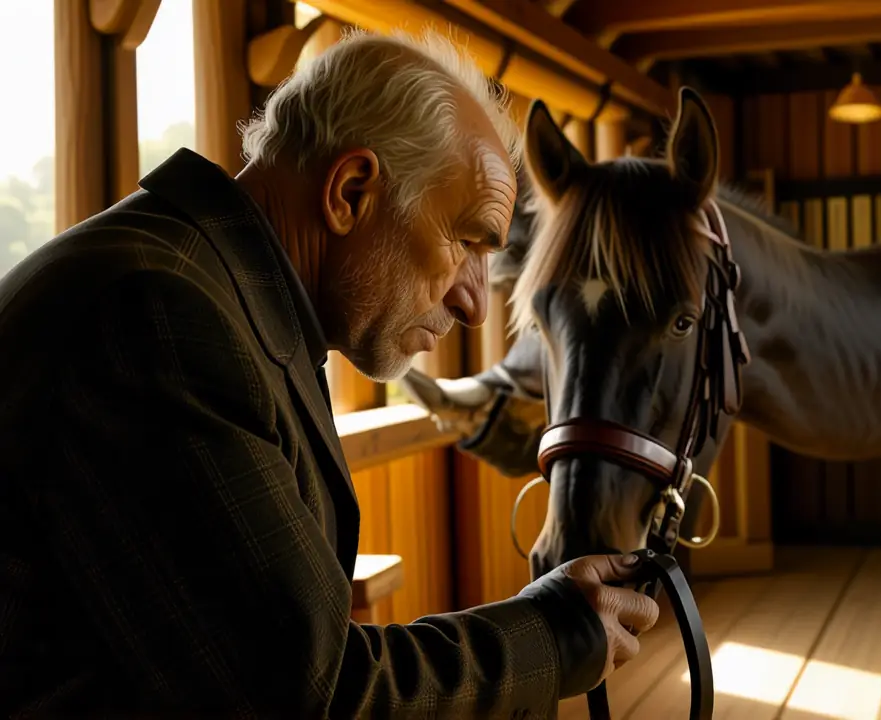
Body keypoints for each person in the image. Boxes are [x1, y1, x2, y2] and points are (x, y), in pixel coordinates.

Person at [0, 30, 659, 717]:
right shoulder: (157, 316)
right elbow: (304, 698)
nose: (473, 304)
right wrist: (555, 636)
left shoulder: (205, 291)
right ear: (350, 191)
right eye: (467, 240)